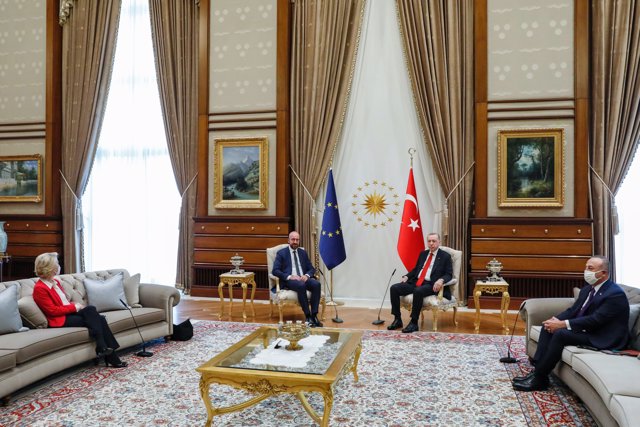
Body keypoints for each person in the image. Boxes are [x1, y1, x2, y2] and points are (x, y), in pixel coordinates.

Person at [513, 255, 629, 392]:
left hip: (603, 336)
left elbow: (596, 320)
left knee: (561, 334)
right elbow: (573, 310)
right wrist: (555, 321)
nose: (586, 271)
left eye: (590, 268)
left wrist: (563, 324)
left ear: (603, 273)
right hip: (587, 330)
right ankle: (538, 372)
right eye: (586, 267)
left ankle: (540, 378)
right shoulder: (588, 289)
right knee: (547, 327)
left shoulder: (614, 294)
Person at [32, 252, 128, 368]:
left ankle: (103, 348)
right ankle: (109, 354)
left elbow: (63, 303)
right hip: (59, 320)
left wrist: (75, 305)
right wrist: (75, 307)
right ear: (50, 267)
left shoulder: (55, 282)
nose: (59, 266)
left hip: (68, 312)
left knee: (91, 310)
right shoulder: (40, 288)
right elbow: (52, 311)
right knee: (100, 319)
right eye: (57, 263)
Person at [388, 232, 453, 333]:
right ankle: (397, 319)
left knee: (418, 291)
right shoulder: (423, 254)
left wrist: (441, 280)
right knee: (394, 288)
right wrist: (407, 276)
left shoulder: (445, 256)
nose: (431, 243)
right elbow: (416, 269)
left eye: (434, 241)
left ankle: (414, 323)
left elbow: (449, 274)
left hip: (431, 284)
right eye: (429, 241)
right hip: (416, 281)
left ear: (439, 242)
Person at [272, 231, 323, 327]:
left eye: (297, 239)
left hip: (303, 278)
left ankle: (314, 315)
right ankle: (307, 315)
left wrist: (307, 275)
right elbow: (275, 270)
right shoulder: (281, 253)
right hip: (290, 281)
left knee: (317, 284)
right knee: (301, 285)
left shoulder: (303, 253)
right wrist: (290, 276)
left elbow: (311, 269)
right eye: (293, 239)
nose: (295, 241)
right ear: (288, 240)